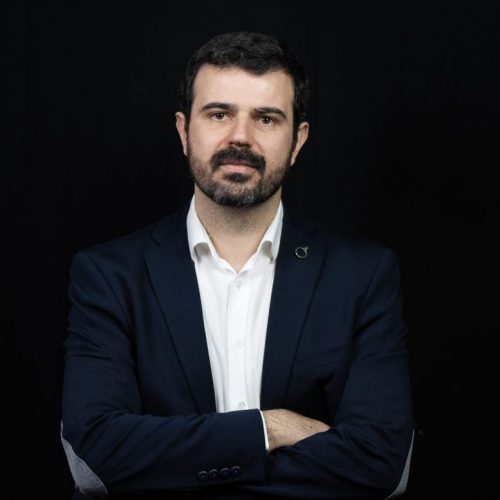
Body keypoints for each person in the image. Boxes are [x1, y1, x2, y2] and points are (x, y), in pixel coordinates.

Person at [61, 31, 414, 500]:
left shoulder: (363, 276)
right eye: (219, 114)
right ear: (184, 131)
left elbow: (384, 465)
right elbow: (95, 460)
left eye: (266, 118)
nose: (240, 137)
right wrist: (269, 428)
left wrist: (176, 466)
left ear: (297, 141)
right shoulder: (108, 277)